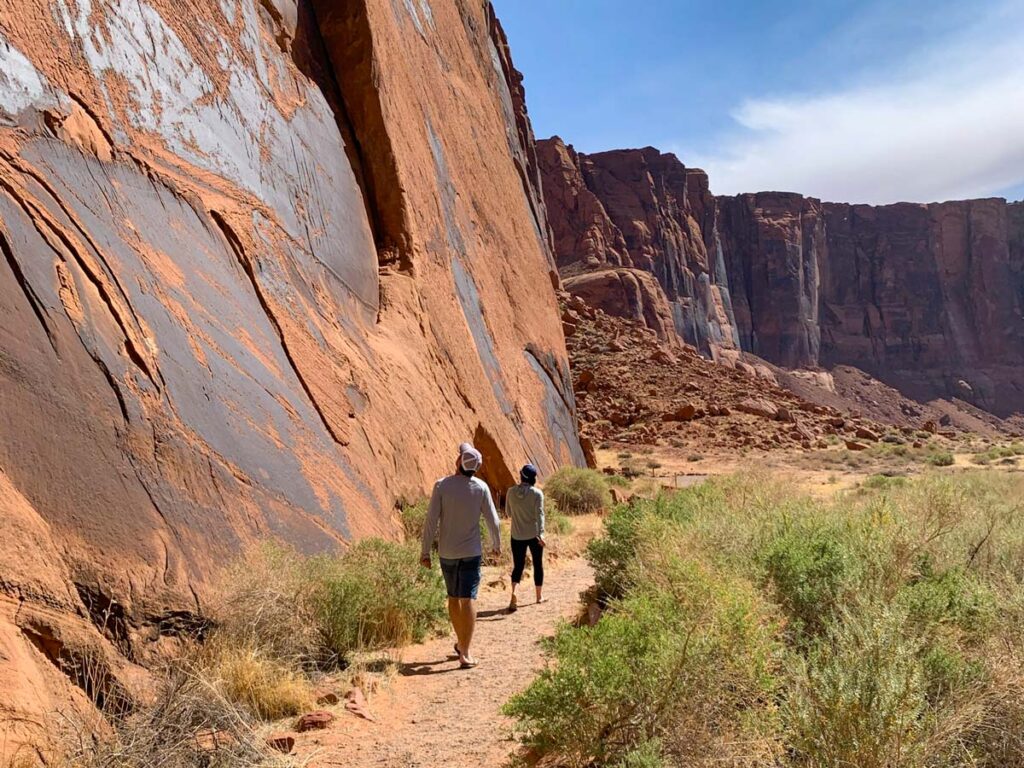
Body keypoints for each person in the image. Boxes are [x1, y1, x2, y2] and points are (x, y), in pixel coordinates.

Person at [420, 443, 500, 668]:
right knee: (469, 598)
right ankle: (465, 650)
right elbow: (493, 520)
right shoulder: (481, 487)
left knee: (454, 598)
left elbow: (431, 521)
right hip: (471, 552)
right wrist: (497, 545)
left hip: (448, 553)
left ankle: (461, 645)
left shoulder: (442, 486)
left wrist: (425, 551)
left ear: (459, 463)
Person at [506, 463, 545, 613]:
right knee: (538, 564)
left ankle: (514, 592)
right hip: (534, 535)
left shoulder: (510, 492)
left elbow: (508, 513)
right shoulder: (537, 494)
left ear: (521, 476)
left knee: (518, 566)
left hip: (516, 535)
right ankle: (538, 596)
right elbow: (540, 515)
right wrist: (541, 534)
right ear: (533, 478)